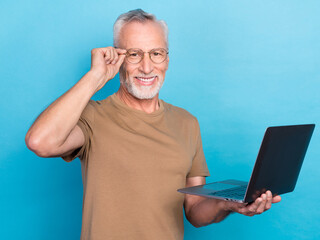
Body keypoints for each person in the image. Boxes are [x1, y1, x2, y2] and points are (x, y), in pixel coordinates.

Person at [25, 9, 281, 240]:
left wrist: (228, 204)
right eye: (134, 54)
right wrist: (95, 77)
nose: (147, 67)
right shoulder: (93, 116)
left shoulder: (187, 123)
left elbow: (194, 211)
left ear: (167, 60)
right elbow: (40, 142)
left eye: (156, 53)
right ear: (117, 59)